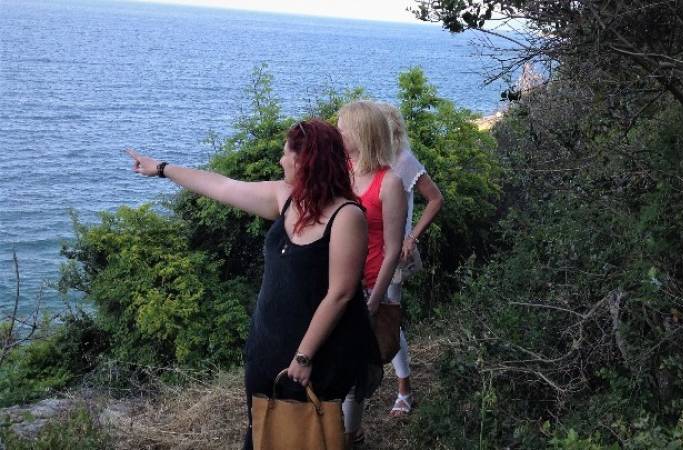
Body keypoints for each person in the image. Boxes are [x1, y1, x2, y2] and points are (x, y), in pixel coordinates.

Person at [125, 119, 382, 450]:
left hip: (319, 353)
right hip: (268, 345)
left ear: (305, 161)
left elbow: (341, 294)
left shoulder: (346, 216)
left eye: (286, 154)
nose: (280, 160)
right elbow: (222, 186)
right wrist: (162, 169)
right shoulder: (285, 197)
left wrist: (304, 356)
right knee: (263, 431)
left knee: (307, 436)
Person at [337, 100, 406, 444]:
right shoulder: (340, 171)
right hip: (335, 282)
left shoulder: (389, 182)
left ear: (362, 133)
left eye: (343, 129)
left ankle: (351, 436)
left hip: (367, 285)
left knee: (355, 371)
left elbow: (393, 249)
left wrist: (375, 300)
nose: (338, 134)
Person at [377, 102, 444, 417]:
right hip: (366, 250)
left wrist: (411, 237)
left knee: (388, 319)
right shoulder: (368, 159)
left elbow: (435, 199)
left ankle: (404, 389)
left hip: (393, 254)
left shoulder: (402, 160)